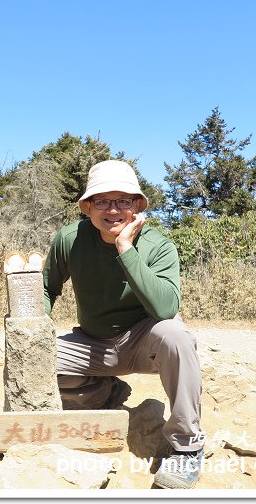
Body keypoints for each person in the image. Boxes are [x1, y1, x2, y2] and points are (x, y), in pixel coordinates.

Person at [42, 160, 205, 489]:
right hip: (93, 343)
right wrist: (34, 330)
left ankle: (188, 447)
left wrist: (125, 248)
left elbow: (165, 307)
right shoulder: (69, 239)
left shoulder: (158, 245)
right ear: (87, 207)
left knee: (177, 335)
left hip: (146, 342)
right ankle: (105, 392)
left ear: (138, 206)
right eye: (102, 201)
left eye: (124, 201)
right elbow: (47, 288)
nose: (113, 210)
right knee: (39, 358)